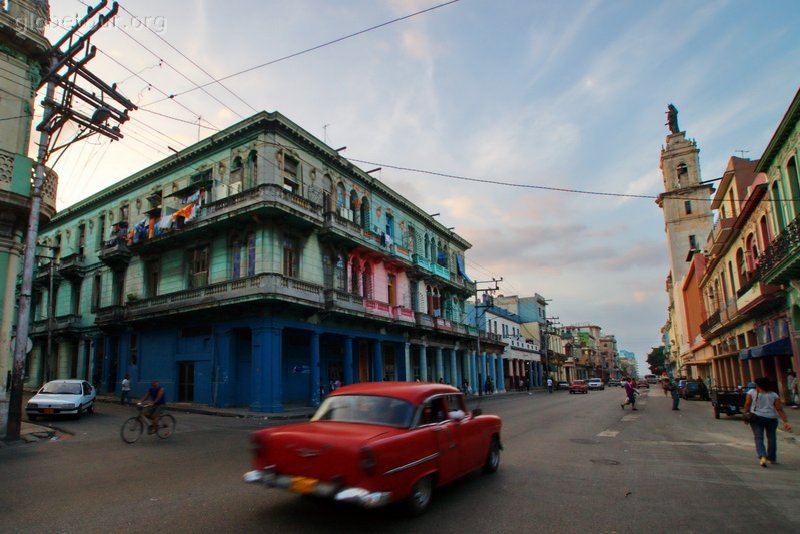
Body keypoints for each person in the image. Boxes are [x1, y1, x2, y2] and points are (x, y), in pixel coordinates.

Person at [743, 377, 792, 467]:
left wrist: (745, 416)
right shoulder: (774, 395)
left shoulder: (752, 393)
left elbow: (747, 404)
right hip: (771, 419)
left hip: (756, 418)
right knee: (772, 438)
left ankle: (762, 456)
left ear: (758, 385)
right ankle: (772, 458)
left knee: (758, 437)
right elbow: (779, 409)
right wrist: (785, 421)